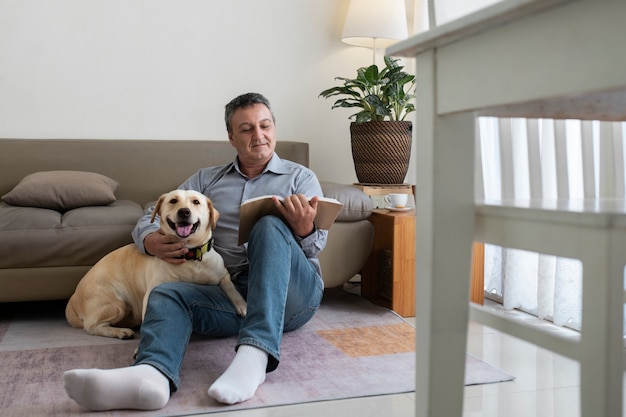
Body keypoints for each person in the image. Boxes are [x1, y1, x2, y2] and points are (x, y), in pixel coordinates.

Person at [63, 92, 327, 411]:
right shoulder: (206, 179)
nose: (259, 135)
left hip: (292, 296)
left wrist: (304, 229)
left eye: (265, 125)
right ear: (231, 137)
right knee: (165, 293)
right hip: (229, 295)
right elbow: (156, 209)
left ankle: (255, 357)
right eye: (246, 129)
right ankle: (151, 376)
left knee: (268, 225)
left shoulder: (301, 178)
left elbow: (316, 246)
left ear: (274, 128)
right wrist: (149, 240)